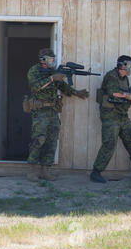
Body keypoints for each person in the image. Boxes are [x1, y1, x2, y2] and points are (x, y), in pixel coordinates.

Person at [26, 48, 89, 182]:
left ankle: (45, 170)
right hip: (40, 111)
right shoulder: (34, 71)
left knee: (51, 141)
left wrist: (76, 92)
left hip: (53, 111)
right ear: (43, 60)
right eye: (50, 59)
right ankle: (31, 170)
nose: (52, 62)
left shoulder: (54, 72)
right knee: (38, 140)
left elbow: (62, 87)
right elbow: (35, 86)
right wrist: (51, 78)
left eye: (53, 59)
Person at [91, 55, 131, 183]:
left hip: (122, 115)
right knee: (109, 144)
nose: (130, 68)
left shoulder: (125, 79)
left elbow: (125, 94)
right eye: (129, 65)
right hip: (110, 115)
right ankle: (96, 172)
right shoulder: (111, 75)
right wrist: (128, 95)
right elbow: (113, 92)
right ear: (122, 65)